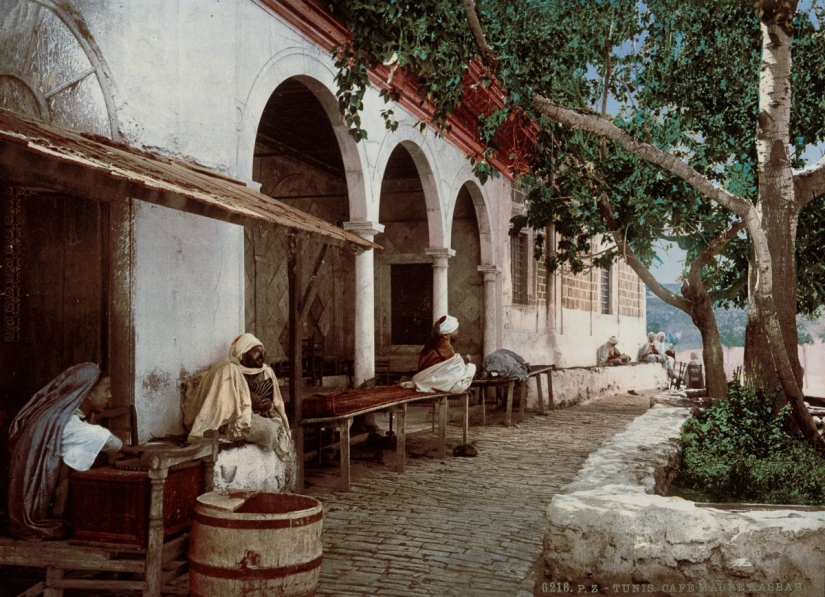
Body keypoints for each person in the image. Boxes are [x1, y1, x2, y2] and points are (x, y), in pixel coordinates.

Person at [7, 363, 134, 540]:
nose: (110, 396)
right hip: (31, 501)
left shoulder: (60, 415)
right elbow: (101, 436)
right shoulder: (63, 421)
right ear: (88, 392)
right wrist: (131, 450)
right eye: (106, 390)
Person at [182, 333, 291, 459]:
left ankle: (226, 435)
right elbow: (221, 402)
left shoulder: (268, 372)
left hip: (260, 417)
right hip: (239, 418)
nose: (262, 356)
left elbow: (277, 405)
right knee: (269, 432)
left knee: (272, 430)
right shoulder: (231, 372)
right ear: (243, 355)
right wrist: (247, 398)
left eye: (263, 352)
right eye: (256, 352)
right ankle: (224, 434)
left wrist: (269, 406)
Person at [401, 315, 476, 393]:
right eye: (456, 330)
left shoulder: (433, 340)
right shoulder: (444, 344)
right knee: (469, 368)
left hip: (423, 374)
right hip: (429, 377)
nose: (458, 332)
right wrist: (465, 360)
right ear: (450, 331)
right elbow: (454, 367)